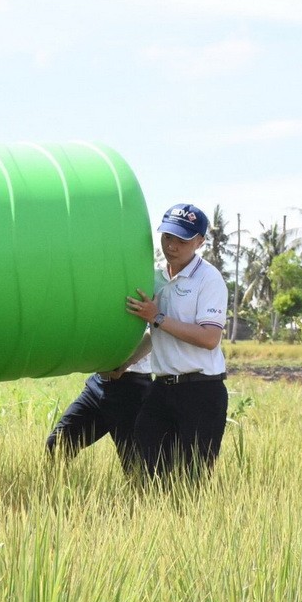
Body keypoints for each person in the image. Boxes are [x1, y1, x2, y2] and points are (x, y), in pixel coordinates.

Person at [126, 203, 228, 480]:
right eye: (167, 236)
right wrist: (124, 363)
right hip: (162, 389)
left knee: (191, 477)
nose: (172, 245)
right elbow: (157, 334)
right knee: (148, 469)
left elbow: (209, 338)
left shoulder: (209, 279)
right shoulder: (155, 277)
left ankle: (191, 522)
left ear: (200, 241)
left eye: (182, 240)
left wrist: (157, 317)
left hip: (202, 392)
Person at [46, 352, 153, 475]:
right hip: (98, 384)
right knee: (57, 444)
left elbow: (150, 334)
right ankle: (55, 490)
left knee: (135, 466)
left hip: (132, 388)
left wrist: (126, 363)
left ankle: (146, 493)